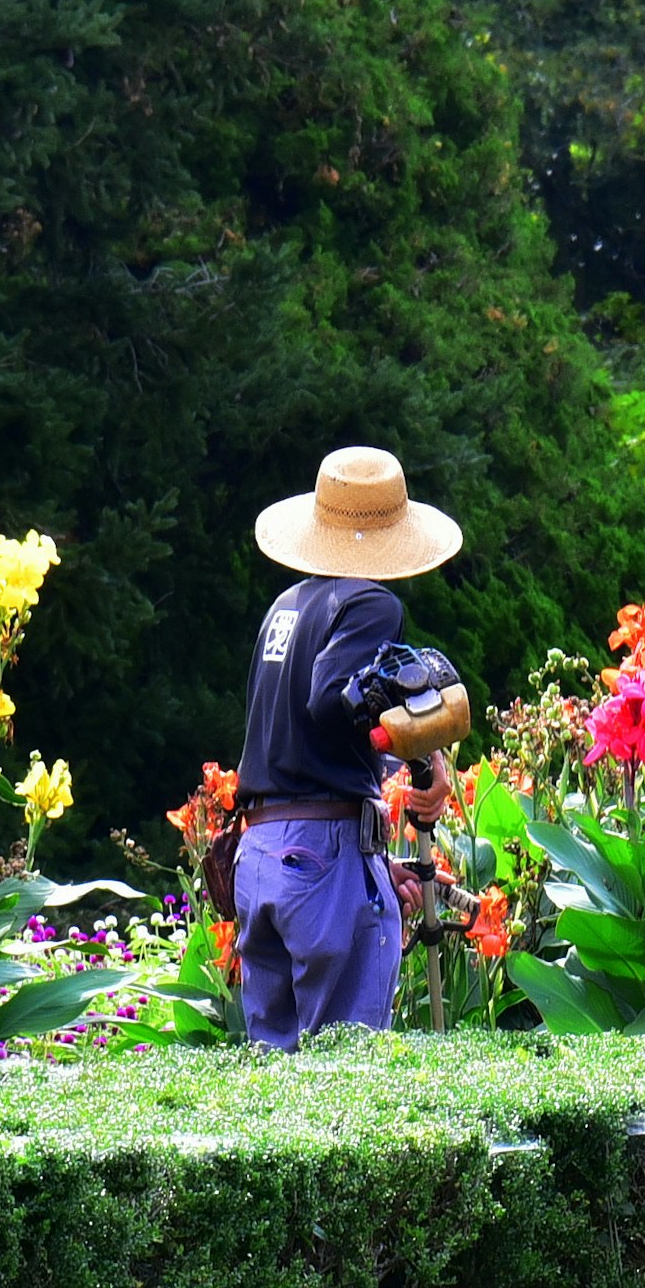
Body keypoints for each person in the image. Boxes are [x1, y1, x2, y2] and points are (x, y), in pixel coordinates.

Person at [231, 446, 466, 1046]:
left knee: (277, 1079)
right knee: (345, 1075)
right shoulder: (371, 603)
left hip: (259, 856)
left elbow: (296, 742)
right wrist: (424, 753)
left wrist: (368, 865)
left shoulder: (285, 607)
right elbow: (334, 699)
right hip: (320, 853)